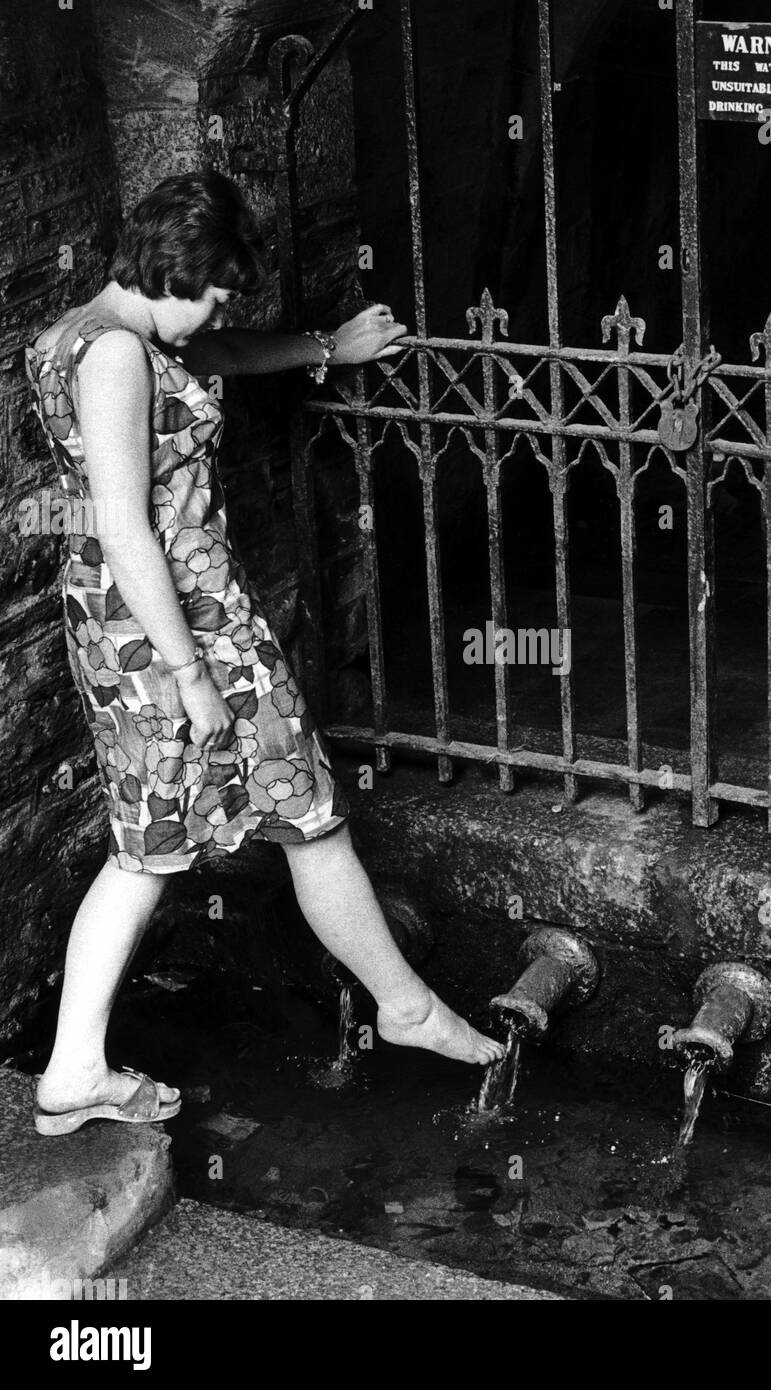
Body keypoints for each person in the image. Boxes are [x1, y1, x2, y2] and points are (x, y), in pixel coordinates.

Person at [23, 171, 503, 1135]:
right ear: (169, 269)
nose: (213, 317)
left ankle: (74, 1068)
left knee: (152, 843)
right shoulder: (117, 360)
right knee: (303, 812)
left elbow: (217, 355)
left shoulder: (82, 332)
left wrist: (325, 346)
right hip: (173, 625)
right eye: (209, 294)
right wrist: (195, 675)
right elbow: (125, 526)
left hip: (130, 625)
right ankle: (404, 1010)